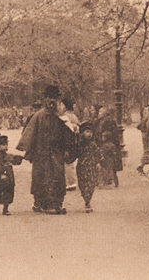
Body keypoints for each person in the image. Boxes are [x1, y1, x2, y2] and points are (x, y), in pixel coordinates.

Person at [16, 86, 76, 214]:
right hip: (41, 153)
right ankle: (39, 203)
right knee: (40, 178)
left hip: (56, 153)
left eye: (54, 98)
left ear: (57, 100)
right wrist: (27, 150)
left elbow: (68, 135)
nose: (51, 101)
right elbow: (30, 133)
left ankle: (57, 203)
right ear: (45, 99)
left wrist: (67, 150)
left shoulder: (62, 117)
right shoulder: (38, 116)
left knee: (58, 177)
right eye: (49, 97)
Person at [0, 135, 21, 215]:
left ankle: (5, 209)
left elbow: (15, 160)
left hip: (9, 177)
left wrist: (22, 158)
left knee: (9, 192)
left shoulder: (8, 156)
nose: (5, 146)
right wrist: (1, 172)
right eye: (3, 145)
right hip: (0, 178)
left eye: (6, 144)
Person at [75, 122, 101, 212]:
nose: (89, 134)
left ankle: (88, 201)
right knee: (82, 184)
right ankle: (86, 200)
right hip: (82, 166)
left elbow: (97, 153)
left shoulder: (93, 144)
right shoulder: (79, 144)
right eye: (87, 132)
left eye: (90, 132)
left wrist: (98, 163)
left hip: (91, 166)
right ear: (82, 133)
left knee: (91, 184)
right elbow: (75, 153)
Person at [97, 106, 123, 187]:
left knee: (108, 163)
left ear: (105, 113)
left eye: (101, 112)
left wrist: (102, 139)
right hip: (110, 144)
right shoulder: (103, 121)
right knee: (111, 163)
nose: (99, 113)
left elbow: (107, 134)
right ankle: (114, 181)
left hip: (108, 145)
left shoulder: (107, 121)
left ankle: (109, 181)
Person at [59, 98, 80, 191]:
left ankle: (70, 182)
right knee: (70, 162)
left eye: (62, 105)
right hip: (74, 140)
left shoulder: (65, 116)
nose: (61, 107)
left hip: (68, 139)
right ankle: (71, 181)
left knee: (67, 162)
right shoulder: (74, 116)